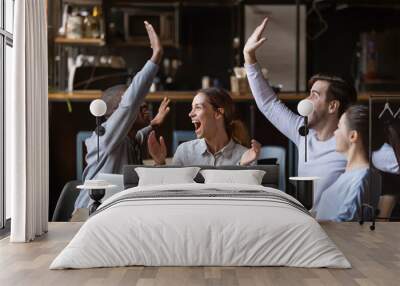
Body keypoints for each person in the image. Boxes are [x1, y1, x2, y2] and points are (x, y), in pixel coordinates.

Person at [243, 17, 399, 206]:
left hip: (341, 229)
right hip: (309, 224)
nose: (306, 100)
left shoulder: (355, 140)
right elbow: (268, 103)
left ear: (332, 106)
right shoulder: (302, 131)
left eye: (314, 95)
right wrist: (249, 58)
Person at [74, 21, 168, 210]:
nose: (144, 106)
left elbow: (138, 136)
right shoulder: (107, 136)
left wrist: (154, 123)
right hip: (89, 215)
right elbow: (130, 103)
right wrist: (156, 56)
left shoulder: (126, 139)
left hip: (111, 212)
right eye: (138, 106)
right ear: (117, 114)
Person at [147, 87, 261, 166]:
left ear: (218, 113)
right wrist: (160, 163)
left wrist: (242, 166)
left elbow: (245, 198)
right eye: (192, 108)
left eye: (198, 107)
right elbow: (173, 193)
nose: (190, 114)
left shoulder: (246, 156)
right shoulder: (184, 151)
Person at [314, 105, 372, 221]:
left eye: (339, 127)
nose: (335, 133)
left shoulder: (361, 178)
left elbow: (345, 226)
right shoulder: (352, 175)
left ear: (352, 136)